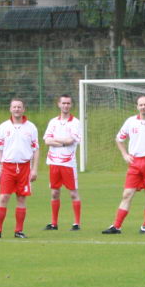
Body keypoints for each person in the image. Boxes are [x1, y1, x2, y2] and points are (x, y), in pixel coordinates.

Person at [102, 95, 145, 235]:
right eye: (141, 105)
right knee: (127, 194)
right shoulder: (131, 121)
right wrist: (125, 154)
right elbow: (119, 139)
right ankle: (117, 226)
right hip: (135, 162)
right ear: (137, 107)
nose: (143, 107)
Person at [0, 98, 40, 239]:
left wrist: (34, 169)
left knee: (21, 198)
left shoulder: (31, 127)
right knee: (3, 197)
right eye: (14, 107)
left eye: (19, 107)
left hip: (24, 168)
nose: (17, 109)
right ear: (10, 109)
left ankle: (19, 231)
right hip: (7, 167)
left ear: (23, 109)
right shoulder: (3, 127)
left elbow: (36, 150)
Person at [42, 94, 83, 231]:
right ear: (58, 104)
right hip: (53, 162)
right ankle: (54, 223)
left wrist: (56, 140)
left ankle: (76, 223)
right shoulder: (53, 122)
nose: (65, 105)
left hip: (68, 163)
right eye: (63, 103)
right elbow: (47, 140)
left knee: (73, 193)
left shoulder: (75, 122)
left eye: (68, 103)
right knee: (54, 193)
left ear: (71, 105)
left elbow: (71, 140)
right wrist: (62, 142)